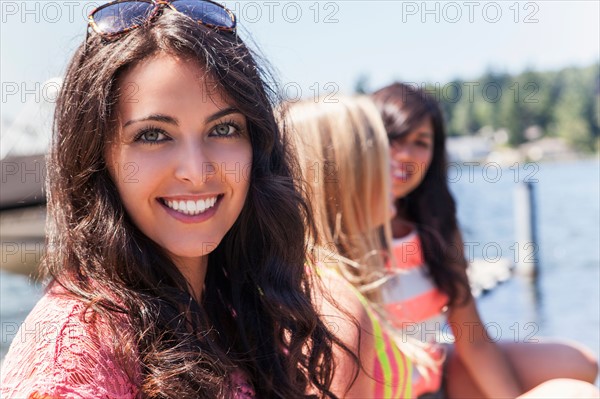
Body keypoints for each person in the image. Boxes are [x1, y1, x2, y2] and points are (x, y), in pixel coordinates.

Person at [0, 2, 358, 397]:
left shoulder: (234, 300)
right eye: (153, 135)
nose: (197, 170)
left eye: (223, 129)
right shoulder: (74, 362)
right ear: (97, 158)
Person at [371, 82, 599, 398]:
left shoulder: (439, 229)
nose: (407, 155)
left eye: (421, 142)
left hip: (431, 377)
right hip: (377, 388)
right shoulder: (337, 233)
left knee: (577, 363)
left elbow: (472, 338)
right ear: (363, 142)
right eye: (394, 138)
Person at [283, 96, 417, 398]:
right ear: (347, 179)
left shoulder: (325, 283)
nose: (397, 167)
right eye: (382, 155)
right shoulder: (332, 308)